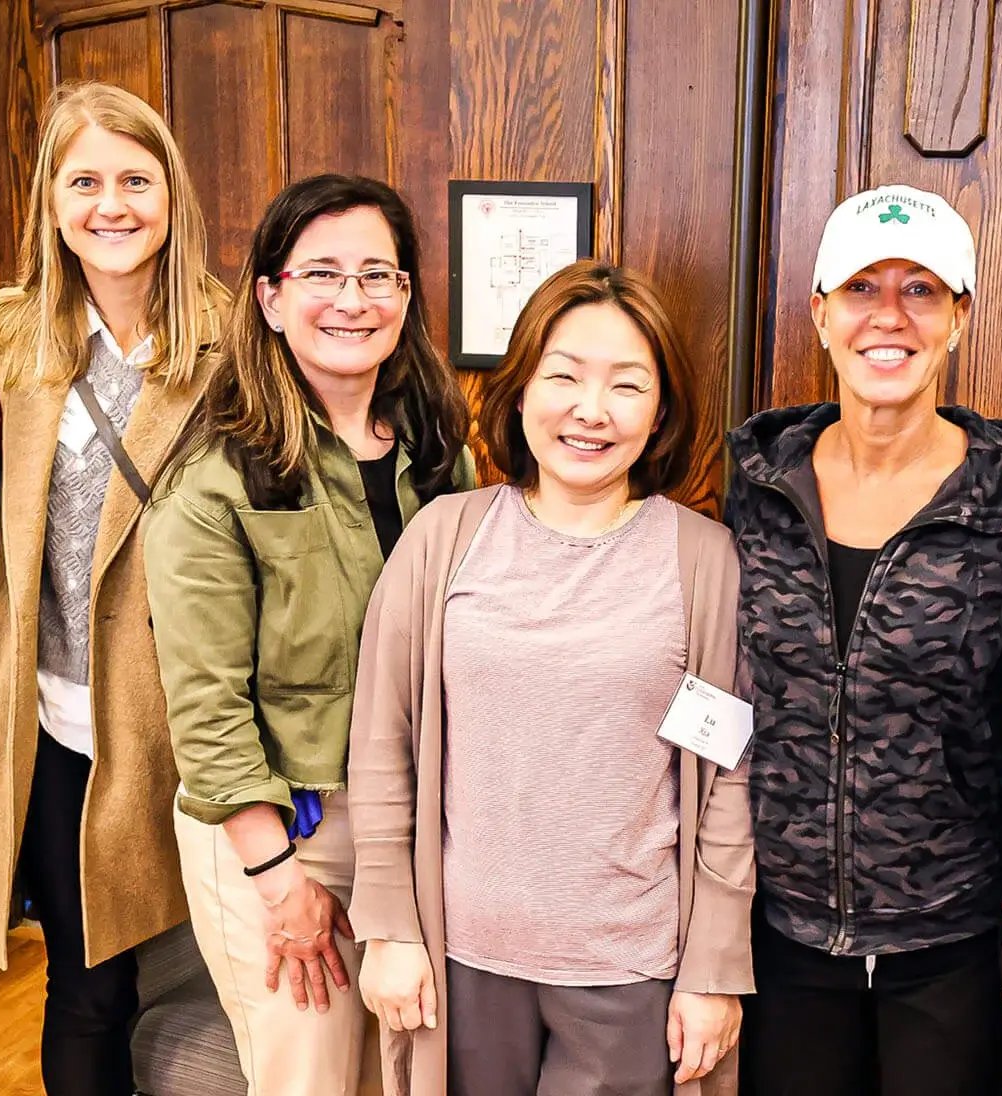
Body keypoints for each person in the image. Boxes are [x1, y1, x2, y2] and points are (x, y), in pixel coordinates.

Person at [347, 260, 756, 1096]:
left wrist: (713, 965)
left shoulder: (701, 561)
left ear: (662, 410)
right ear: (520, 387)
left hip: (631, 967)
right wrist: (388, 927)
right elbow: (382, 744)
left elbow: (728, 782)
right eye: (563, 376)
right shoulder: (442, 539)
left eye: (627, 385)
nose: (590, 411)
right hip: (458, 957)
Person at [727, 184, 1002, 1095]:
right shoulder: (754, 489)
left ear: (960, 317)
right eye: (861, 290)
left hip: (954, 938)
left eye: (921, 290)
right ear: (819, 313)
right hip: (779, 934)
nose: (890, 317)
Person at [141, 173, 473, 1096]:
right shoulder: (214, 478)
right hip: (285, 829)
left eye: (379, 274)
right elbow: (205, 708)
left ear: (407, 295)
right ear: (271, 297)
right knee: (312, 1082)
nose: (353, 299)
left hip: (412, 826)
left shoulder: (441, 452)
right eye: (321, 273)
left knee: (404, 1077)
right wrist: (280, 879)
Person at [0, 81, 229, 1096]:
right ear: (51, 204)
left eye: (133, 180)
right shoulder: (13, 337)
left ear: (171, 195)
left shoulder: (231, 340)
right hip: (62, 725)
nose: (110, 205)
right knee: (86, 986)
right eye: (84, 182)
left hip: (192, 723)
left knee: (241, 979)